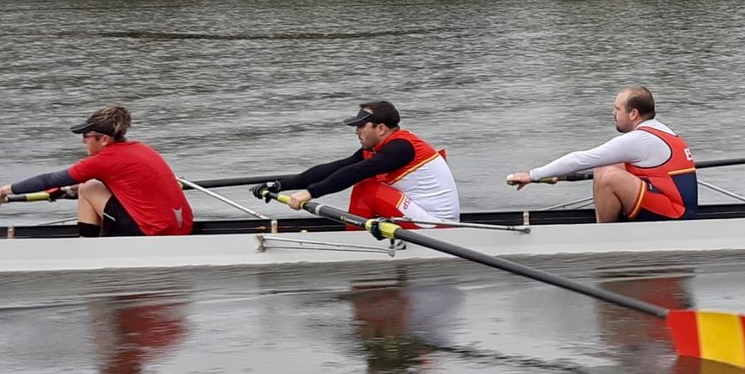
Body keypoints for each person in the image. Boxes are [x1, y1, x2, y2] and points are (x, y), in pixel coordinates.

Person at [0, 105, 193, 237]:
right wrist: (65, 190)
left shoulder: (104, 160)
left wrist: (3, 191)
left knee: (88, 187)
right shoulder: (140, 148)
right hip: (181, 227)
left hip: (155, 233)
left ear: (104, 139)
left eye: (86, 136)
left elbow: (51, 178)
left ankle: (87, 246)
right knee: (86, 185)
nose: (83, 141)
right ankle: (98, 238)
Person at [507, 86, 697, 222]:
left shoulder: (640, 139)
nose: (613, 113)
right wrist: (557, 173)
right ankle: (608, 225)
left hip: (677, 215)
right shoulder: (658, 130)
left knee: (609, 177)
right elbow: (591, 162)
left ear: (634, 114)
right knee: (607, 166)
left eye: (617, 109)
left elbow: (581, 159)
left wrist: (532, 175)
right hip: (673, 204)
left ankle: (603, 236)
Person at [265, 101, 460, 224]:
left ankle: (356, 240)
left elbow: (355, 172)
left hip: (438, 224)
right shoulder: (379, 147)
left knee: (367, 188)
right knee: (365, 185)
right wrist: (280, 185)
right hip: (417, 212)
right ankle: (359, 234)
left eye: (360, 126)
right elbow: (337, 167)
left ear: (381, 128)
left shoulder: (401, 148)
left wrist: (310, 192)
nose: (356, 131)